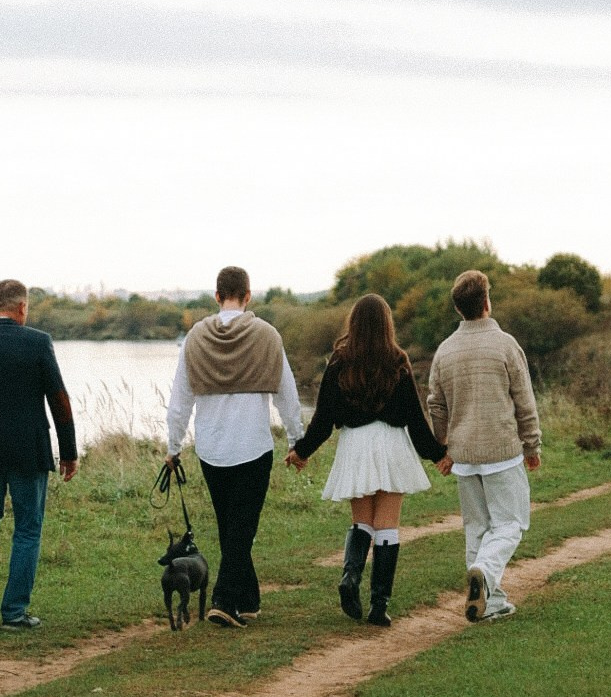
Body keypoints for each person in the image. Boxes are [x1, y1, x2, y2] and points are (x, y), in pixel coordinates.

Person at [285, 292, 445, 627]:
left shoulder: (339, 362)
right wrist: (438, 455)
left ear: (353, 324)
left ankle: (350, 578)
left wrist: (301, 451)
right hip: (391, 445)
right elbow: (416, 420)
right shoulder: (398, 361)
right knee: (388, 526)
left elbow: (323, 420)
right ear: (387, 325)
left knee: (363, 523)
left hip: (356, 445)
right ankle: (378, 605)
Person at [165, 265, 304, 629]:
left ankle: (248, 597)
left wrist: (173, 445)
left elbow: (180, 398)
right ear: (248, 296)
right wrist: (296, 439)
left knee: (233, 527)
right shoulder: (267, 335)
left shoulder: (195, 338)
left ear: (216, 296)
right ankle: (225, 601)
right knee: (241, 529)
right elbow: (287, 394)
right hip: (254, 448)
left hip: (211, 450)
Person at [0, 278, 78, 630]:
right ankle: (14, 613)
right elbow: (59, 401)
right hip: (28, 449)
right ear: (22, 308)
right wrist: (68, 452)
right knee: (27, 530)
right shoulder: (38, 342)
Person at [427, 268, 541, 624]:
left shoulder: (445, 350)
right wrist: (532, 444)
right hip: (502, 451)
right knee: (511, 524)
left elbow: (436, 404)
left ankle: (491, 602)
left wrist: (442, 446)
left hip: (463, 456)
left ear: (459, 309)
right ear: (487, 302)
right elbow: (524, 399)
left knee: (477, 528)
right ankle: (484, 573)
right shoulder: (505, 344)